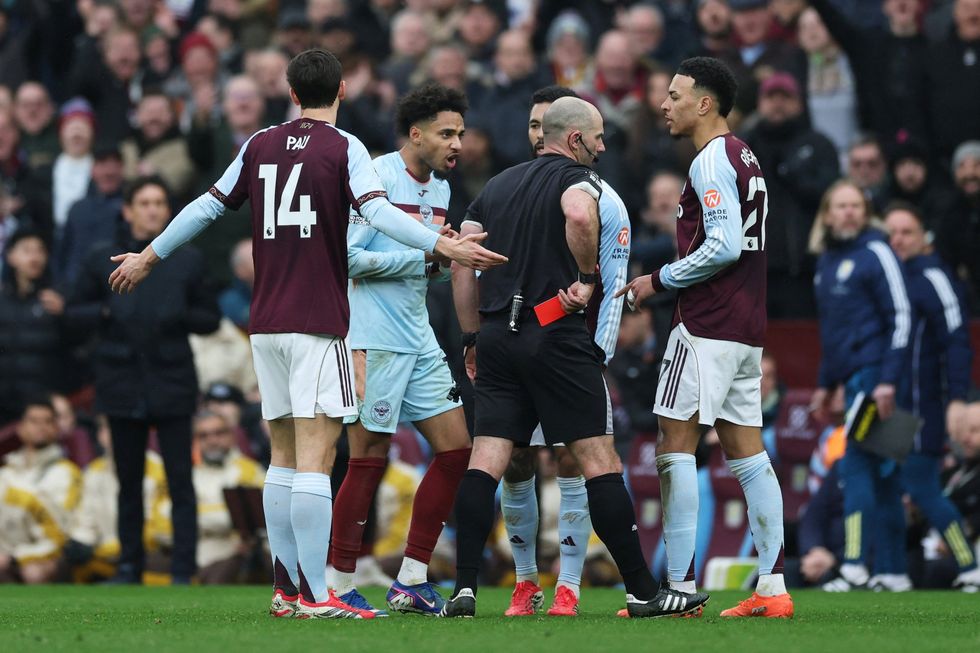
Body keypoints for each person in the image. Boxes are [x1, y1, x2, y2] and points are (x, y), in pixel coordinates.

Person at [106, 48, 505, 619]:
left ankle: (286, 590)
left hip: (264, 323)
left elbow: (206, 207)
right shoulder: (346, 148)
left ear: (291, 93)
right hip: (318, 322)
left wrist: (149, 255)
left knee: (283, 460)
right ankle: (320, 595)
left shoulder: (259, 143)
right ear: (341, 89)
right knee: (318, 460)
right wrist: (440, 245)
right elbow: (380, 213)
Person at [444, 95, 706, 619]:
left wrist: (472, 337)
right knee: (597, 461)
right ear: (574, 139)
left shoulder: (495, 186)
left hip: (496, 336)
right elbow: (579, 216)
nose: (604, 145)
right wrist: (585, 279)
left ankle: (465, 591)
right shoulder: (582, 184)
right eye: (599, 135)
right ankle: (642, 590)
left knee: (486, 461)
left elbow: (460, 262)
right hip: (553, 332)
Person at [617, 57, 793, 618]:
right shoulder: (745, 154)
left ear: (704, 103)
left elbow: (722, 247)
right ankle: (772, 588)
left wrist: (655, 280)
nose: (663, 105)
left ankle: (678, 588)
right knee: (747, 454)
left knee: (675, 448)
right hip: (746, 327)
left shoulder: (710, 160)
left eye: (674, 95)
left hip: (707, 323)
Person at [329, 83, 473, 617]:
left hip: (418, 335)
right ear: (416, 134)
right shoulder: (375, 176)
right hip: (374, 339)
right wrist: (428, 258)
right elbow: (347, 259)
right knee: (367, 458)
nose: (457, 143)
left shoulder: (439, 191)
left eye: (460, 133)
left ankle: (411, 577)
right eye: (446, 133)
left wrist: (441, 262)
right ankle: (340, 582)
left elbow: (420, 266)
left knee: (457, 449)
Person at [497, 84, 631, 618]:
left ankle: (569, 586)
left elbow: (610, 277)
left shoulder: (596, 193)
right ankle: (525, 582)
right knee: (518, 462)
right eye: (531, 126)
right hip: (519, 348)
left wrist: (599, 348)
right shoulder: (512, 190)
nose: (536, 135)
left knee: (577, 458)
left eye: (542, 126)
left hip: (572, 349)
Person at [66, 176, 220, 586]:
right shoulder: (103, 256)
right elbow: (71, 314)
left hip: (172, 379)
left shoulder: (187, 259)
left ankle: (183, 571)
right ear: (128, 210)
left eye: (159, 202)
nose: (152, 209)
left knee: (180, 482)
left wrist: (176, 314)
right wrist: (104, 313)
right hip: (120, 380)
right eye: (144, 202)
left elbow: (211, 318)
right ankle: (129, 567)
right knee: (128, 482)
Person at [808, 179, 912, 591]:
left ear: (866, 212)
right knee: (884, 474)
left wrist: (887, 380)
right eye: (841, 206)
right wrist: (825, 384)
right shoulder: (828, 262)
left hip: (874, 377)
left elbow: (901, 317)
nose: (849, 212)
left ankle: (853, 564)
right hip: (852, 380)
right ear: (828, 215)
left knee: (855, 464)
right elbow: (833, 333)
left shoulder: (876, 252)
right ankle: (893, 570)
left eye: (856, 205)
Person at [883, 202, 980, 591]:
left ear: (925, 237)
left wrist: (956, 397)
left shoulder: (933, 276)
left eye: (907, 232)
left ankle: (969, 565)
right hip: (894, 403)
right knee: (886, 483)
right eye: (891, 232)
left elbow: (957, 340)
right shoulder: (892, 278)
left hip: (924, 405)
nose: (898, 240)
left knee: (922, 485)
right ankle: (890, 572)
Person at [741, 71, 840, 318]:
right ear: (760, 104)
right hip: (754, 274)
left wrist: (793, 176)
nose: (777, 104)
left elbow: (830, 196)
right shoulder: (743, 147)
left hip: (803, 271)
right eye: (771, 97)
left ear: (798, 103)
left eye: (785, 97)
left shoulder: (818, 145)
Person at [0, 398, 81, 583]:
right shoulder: (5, 473)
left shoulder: (67, 473)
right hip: (5, 554)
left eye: (48, 421)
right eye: (34, 421)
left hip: (48, 554)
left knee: (34, 572)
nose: (41, 427)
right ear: (20, 427)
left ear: (56, 428)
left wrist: (15, 557)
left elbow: (61, 531)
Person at [192, 410, 266, 584]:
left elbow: (268, 516)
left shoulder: (250, 470)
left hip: (257, 551)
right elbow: (173, 518)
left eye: (219, 433)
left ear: (232, 435)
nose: (212, 440)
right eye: (204, 436)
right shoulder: (190, 476)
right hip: (210, 553)